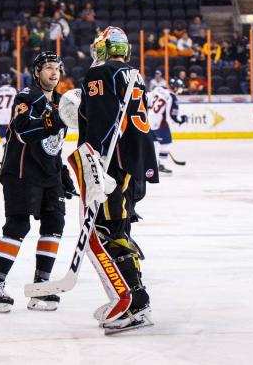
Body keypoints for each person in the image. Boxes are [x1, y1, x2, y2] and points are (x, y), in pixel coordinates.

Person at [77, 26, 158, 333]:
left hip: (110, 167)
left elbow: (101, 127)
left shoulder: (100, 75)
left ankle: (134, 305)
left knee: (108, 232)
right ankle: (137, 300)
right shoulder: (133, 75)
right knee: (118, 228)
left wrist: (92, 165)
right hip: (133, 166)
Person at [0, 51, 74, 313]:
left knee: (55, 223)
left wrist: (62, 173)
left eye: (57, 67)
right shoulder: (26, 97)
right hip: (21, 174)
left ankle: (41, 287)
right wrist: (52, 120)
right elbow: (22, 131)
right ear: (36, 72)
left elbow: (54, 145)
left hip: (49, 176)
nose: (54, 73)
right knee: (18, 226)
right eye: (47, 68)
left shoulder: (61, 103)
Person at [147, 77, 188, 174]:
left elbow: (147, 98)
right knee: (166, 143)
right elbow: (171, 118)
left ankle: (150, 164)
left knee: (155, 144)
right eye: (180, 89)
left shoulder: (158, 88)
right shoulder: (172, 98)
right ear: (175, 88)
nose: (180, 91)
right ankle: (161, 166)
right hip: (159, 124)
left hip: (147, 120)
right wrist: (181, 120)